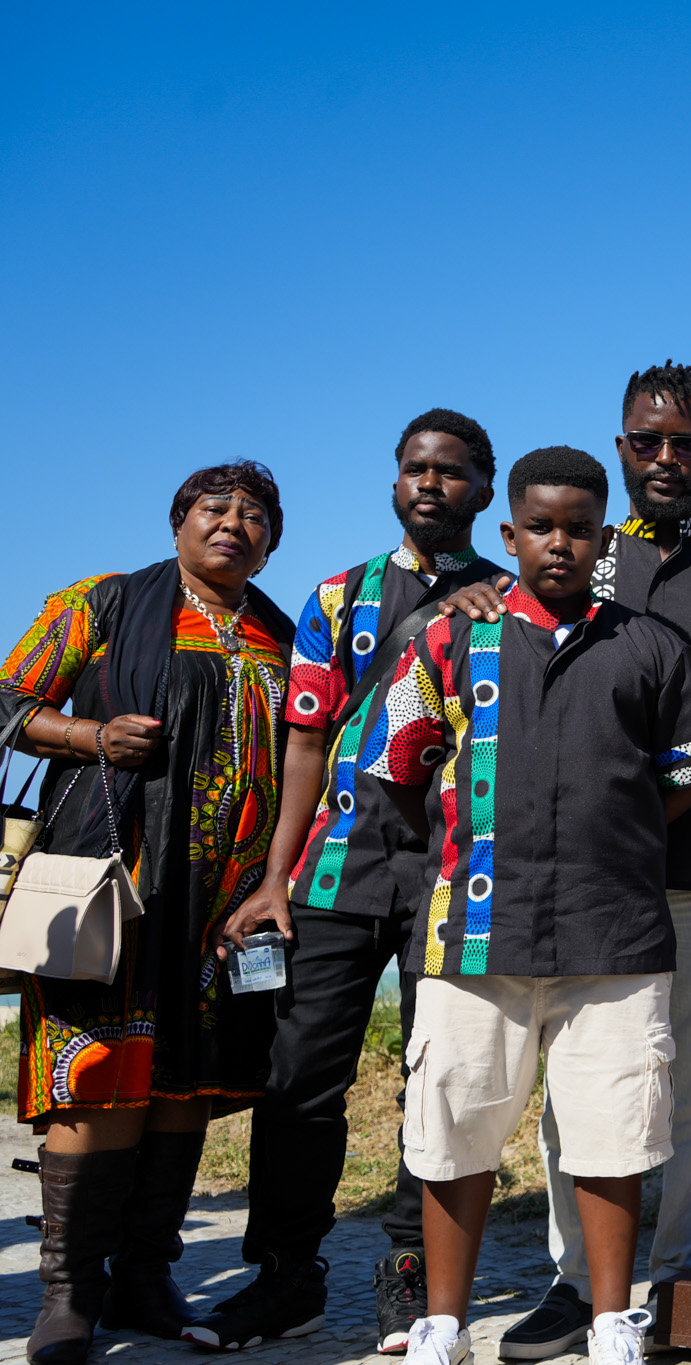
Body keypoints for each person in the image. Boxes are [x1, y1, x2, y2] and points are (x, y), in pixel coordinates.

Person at [440, 362, 691, 1356]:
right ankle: (579, 1285)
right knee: (571, 1094)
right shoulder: (568, 555)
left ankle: (678, 1277)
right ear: (620, 448)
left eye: (685, 444)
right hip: (570, 881)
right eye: (647, 441)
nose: (666, 458)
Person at [367, 446, 691, 1365]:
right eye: (539, 527)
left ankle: (610, 1322)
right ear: (509, 533)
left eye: (577, 529)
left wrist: (617, 833)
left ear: (604, 539)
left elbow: (689, 775)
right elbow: (399, 767)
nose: (558, 543)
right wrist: (465, 843)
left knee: (612, 1134)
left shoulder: (651, 646)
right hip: (471, 935)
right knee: (453, 1130)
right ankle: (444, 1323)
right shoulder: (448, 640)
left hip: (615, 937)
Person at [183, 410, 508, 1352]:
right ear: (395, 480)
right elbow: (306, 740)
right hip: (336, 867)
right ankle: (286, 1278)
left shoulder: (514, 597)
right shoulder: (340, 595)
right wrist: (274, 877)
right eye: (415, 468)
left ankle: (411, 1278)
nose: (430, 483)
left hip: (456, 874)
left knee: (437, 1083)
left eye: (451, 470)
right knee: (299, 1081)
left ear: (485, 488)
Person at [1, 463, 295, 1364]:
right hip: (114, 885)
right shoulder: (105, 603)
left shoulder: (281, 633)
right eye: (216, 507)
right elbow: (8, 700)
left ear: (270, 543)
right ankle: (68, 1293)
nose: (234, 523)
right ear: (178, 523)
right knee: (97, 1072)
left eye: (255, 515)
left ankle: (144, 1275)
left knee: (186, 1079)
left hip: (226, 904)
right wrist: (90, 734)